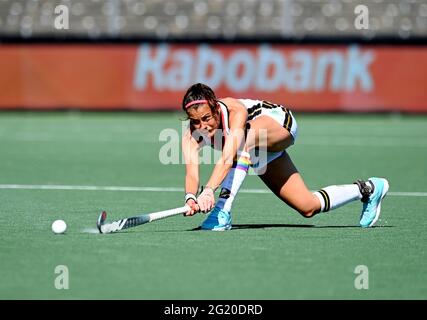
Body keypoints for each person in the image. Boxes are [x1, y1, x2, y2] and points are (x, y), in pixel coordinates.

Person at [181, 83, 389, 231]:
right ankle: (368, 189)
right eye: (195, 121)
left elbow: (229, 156)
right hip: (256, 149)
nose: (202, 126)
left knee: (244, 139)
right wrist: (190, 197)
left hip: (279, 124)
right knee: (308, 206)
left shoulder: (235, 110)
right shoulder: (190, 135)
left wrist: (209, 191)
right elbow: (191, 172)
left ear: (216, 108)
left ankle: (221, 212)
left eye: (206, 118)